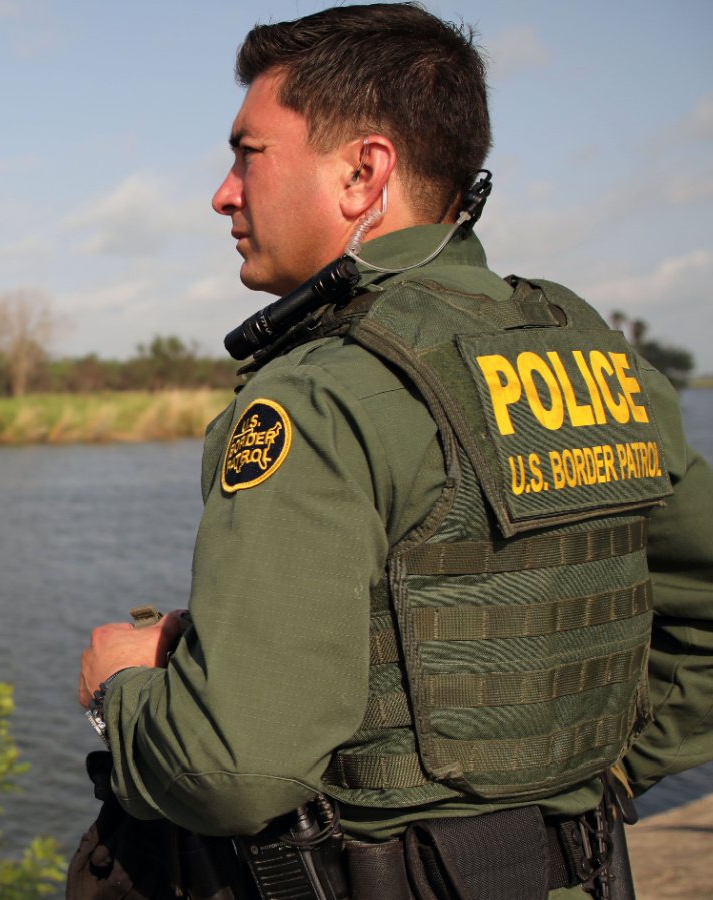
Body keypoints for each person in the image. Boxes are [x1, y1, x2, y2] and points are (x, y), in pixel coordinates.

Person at [76, 4, 713, 898]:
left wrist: (124, 692)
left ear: (364, 173)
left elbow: (236, 768)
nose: (223, 192)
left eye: (247, 153)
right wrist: (594, 782)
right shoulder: (602, 362)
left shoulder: (321, 395)